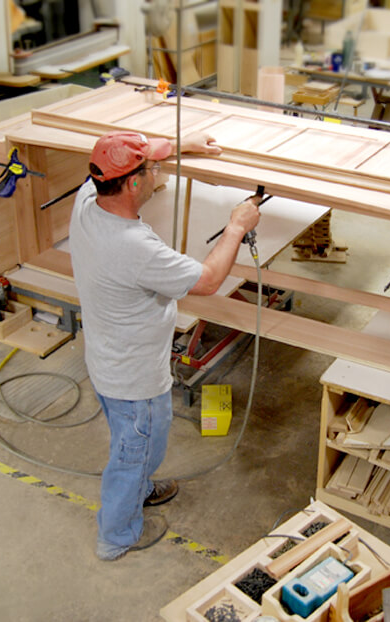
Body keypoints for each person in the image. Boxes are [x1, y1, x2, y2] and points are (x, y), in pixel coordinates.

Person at [69, 130, 261, 561]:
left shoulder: (86, 202)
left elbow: (129, 157)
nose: (158, 174)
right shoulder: (134, 247)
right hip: (135, 381)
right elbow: (208, 281)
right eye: (152, 170)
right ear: (134, 183)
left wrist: (181, 144)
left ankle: (139, 485)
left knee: (130, 443)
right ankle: (116, 536)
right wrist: (236, 226)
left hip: (106, 363)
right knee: (136, 449)